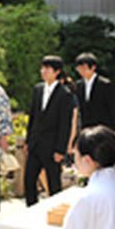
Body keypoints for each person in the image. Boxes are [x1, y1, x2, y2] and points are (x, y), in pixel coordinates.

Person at [24, 56, 73, 206]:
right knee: (29, 180)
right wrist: (28, 140)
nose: (43, 71)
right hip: (35, 144)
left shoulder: (64, 94)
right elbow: (32, 117)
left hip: (52, 147)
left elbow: (65, 124)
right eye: (42, 68)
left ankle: (55, 214)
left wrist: (61, 150)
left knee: (53, 184)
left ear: (57, 71)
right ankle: (31, 211)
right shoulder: (38, 89)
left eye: (48, 68)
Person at [75, 52, 115, 137]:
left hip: (103, 127)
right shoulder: (79, 85)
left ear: (93, 67)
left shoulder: (105, 84)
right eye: (79, 68)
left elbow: (113, 107)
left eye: (84, 68)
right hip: (87, 128)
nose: (81, 71)